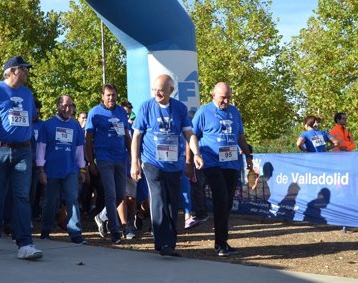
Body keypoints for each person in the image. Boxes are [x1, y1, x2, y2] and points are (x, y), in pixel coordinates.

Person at [0, 56, 43, 260]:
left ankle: (25, 243)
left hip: (23, 151)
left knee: (22, 196)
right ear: (13, 71)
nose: (27, 72)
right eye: (24, 69)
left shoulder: (27, 93)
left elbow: (30, 119)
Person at [130, 74, 203, 256]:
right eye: (154, 90)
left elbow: (189, 134)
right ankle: (162, 242)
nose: (157, 93)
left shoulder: (179, 108)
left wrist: (196, 154)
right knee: (158, 198)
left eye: (161, 90)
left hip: (173, 164)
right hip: (152, 162)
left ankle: (170, 242)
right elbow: (136, 136)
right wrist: (135, 162)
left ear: (171, 90)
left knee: (172, 201)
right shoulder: (146, 107)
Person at [192, 81, 253, 257]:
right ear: (213, 95)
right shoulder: (203, 112)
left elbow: (240, 136)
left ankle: (222, 241)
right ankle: (220, 244)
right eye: (222, 98)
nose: (225, 101)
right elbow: (192, 135)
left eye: (228, 97)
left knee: (226, 202)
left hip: (232, 163)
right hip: (211, 162)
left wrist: (248, 156)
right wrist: (192, 157)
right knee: (221, 198)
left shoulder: (234, 112)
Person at [36, 95, 87, 244]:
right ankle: (45, 231)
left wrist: (82, 169)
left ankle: (76, 234)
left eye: (70, 106)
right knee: (50, 201)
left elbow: (79, 150)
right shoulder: (47, 125)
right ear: (58, 106)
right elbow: (41, 149)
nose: (67, 108)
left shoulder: (76, 126)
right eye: (65, 105)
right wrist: (41, 170)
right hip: (51, 171)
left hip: (70, 169)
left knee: (72, 199)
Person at [85, 83, 131, 244]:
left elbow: (126, 135)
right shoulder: (94, 113)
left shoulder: (120, 112)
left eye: (113, 95)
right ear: (102, 96)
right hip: (104, 158)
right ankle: (115, 230)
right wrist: (91, 162)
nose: (111, 98)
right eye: (108, 95)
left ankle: (101, 216)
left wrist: (133, 154)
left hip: (120, 158)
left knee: (120, 195)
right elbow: (88, 139)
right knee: (110, 194)